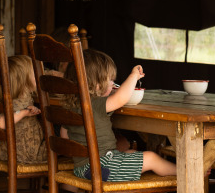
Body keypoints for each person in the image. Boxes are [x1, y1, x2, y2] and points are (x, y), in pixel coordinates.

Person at [63, 48, 176, 182]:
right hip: (102, 166)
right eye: (110, 80)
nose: (113, 84)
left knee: (132, 153)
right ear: (97, 85)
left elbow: (65, 135)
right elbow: (121, 98)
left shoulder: (72, 107)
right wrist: (133, 76)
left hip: (81, 167)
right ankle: (186, 172)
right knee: (151, 158)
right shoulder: (95, 104)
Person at [0, 54, 47, 164]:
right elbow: (2, 123)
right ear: (23, 80)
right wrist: (23, 113)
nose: (38, 76)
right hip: (27, 155)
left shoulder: (21, 98)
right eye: (34, 73)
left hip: (20, 152)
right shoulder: (15, 102)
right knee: (61, 140)